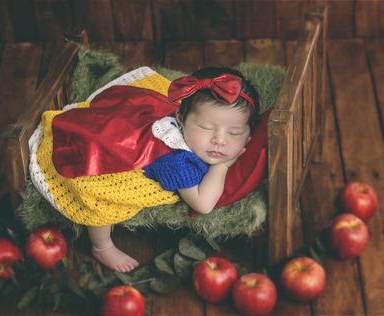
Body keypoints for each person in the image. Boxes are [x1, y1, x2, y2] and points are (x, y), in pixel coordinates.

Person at [32, 66, 263, 273]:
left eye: (234, 133)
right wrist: (222, 166)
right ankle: (102, 247)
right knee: (101, 200)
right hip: (111, 152)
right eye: (205, 127)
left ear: (249, 133)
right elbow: (203, 204)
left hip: (134, 125)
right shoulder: (176, 160)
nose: (219, 141)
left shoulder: (203, 133)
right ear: (180, 118)